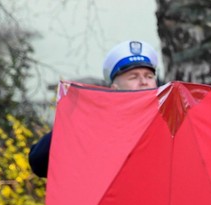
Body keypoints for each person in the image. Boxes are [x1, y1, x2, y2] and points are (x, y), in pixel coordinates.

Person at [28, 40, 160, 177]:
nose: (144, 82)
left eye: (149, 76)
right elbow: (39, 161)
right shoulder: (97, 124)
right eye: (134, 77)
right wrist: (74, 120)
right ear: (115, 89)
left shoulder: (169, 122)